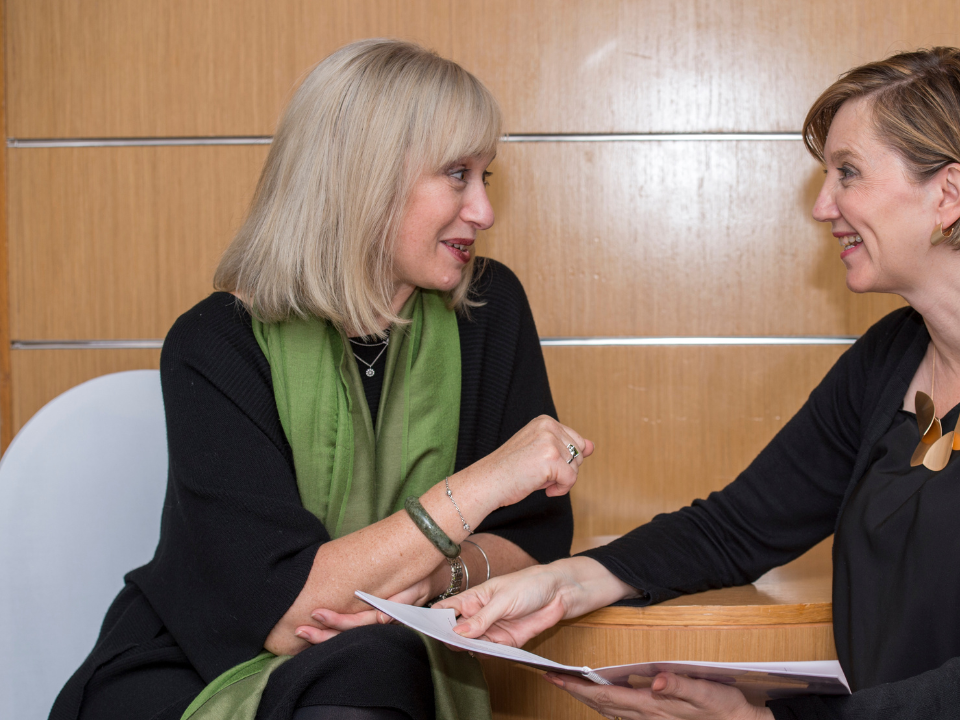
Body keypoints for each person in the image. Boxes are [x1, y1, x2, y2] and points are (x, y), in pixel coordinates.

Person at [435, 48, 960, 719]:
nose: (822, 206)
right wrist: (569, 581)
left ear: (948, 194)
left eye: (847, 173)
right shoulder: (894, 356)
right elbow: (739, 527)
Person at [50, 39, 592, 720]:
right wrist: (482, 487)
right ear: (365, 177)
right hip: (190, 671)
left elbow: (535, 544)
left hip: (379, 670)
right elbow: (289, 616)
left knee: (373, 666)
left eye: (485, 176)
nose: (483, 210)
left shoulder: (489, 309)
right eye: (458, 174)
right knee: (367, 670)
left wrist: (432, 572)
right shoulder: (213, 343)